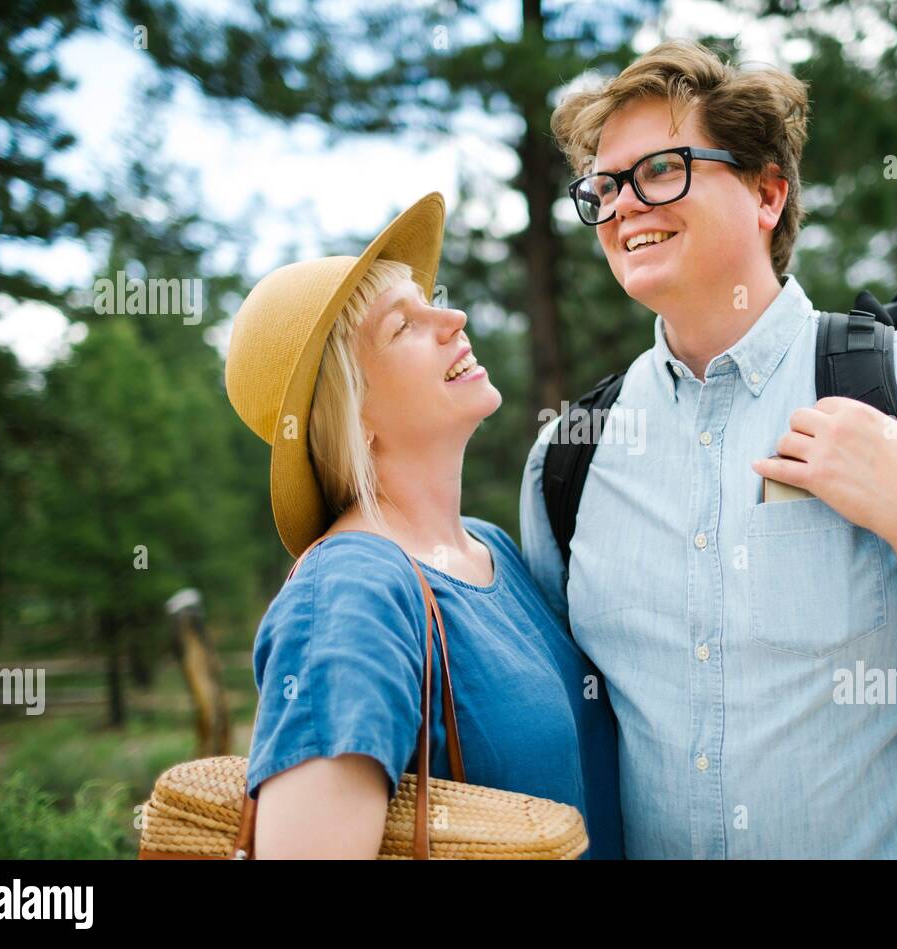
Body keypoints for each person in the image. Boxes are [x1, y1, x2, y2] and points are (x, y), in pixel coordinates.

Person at [518, 40, 897, 858]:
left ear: (767, 193)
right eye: (603, 188)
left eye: (663, 169)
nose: (625, 205)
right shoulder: (569, 458)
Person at [224, 192, 623, 859]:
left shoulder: (488, 546)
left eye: (430, 297)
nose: (453, 317)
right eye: (401, 325)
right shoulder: (352, 590)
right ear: (352, 411)